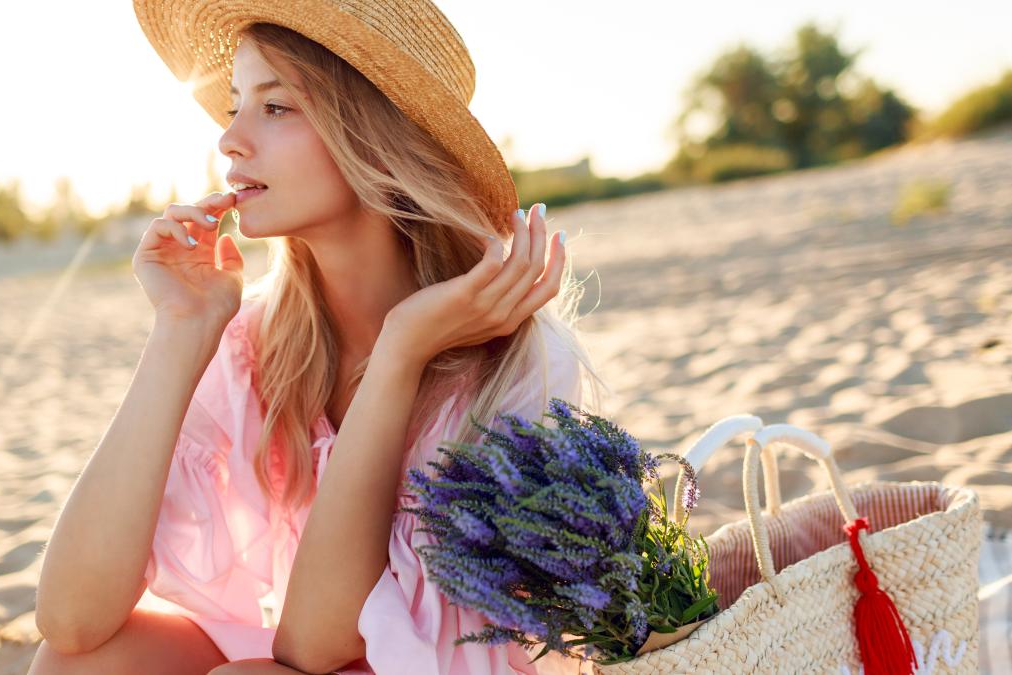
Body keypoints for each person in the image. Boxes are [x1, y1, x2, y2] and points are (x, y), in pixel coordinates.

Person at [30, 2, 602, 673]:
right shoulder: (260, 342)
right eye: (235, 105)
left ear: (372, 133)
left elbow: (319, 643)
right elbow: (70, 616)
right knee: (83, 663)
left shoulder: (512, 359)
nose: (230, 140)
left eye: (276, 108)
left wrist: (399, 352)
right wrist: (180, 330)